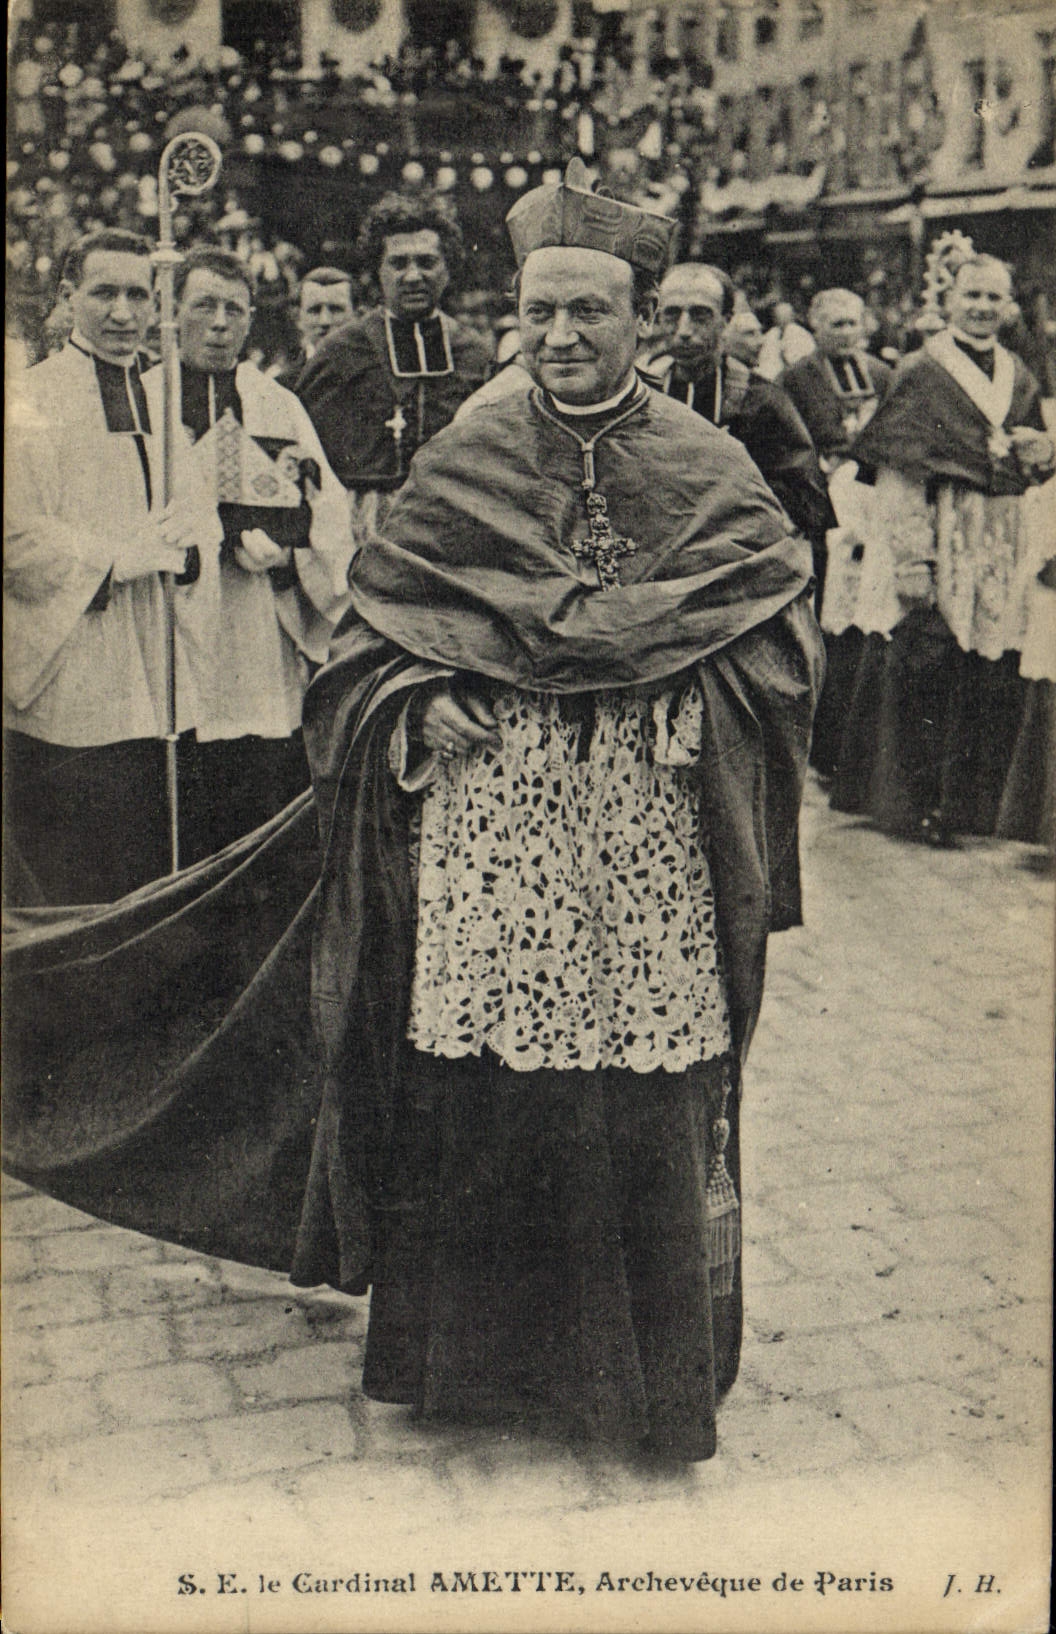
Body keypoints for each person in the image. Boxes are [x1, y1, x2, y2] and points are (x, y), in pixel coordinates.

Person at [289, 160, 824, 1462]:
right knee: (487, 1088)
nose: (564, 335)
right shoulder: (468, 453)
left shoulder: (708, 462)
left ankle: (636, 1384)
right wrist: (418, 704)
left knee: (635, 1091)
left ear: (642, 319)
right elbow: (368, 636)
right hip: (499, 819)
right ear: (513, 316)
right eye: (541, 311)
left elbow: (781, 636)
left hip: (646, 824)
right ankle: (480, 1373)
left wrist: (703, 691)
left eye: (591, 310)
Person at [833, 249, 1054, 844]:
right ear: (949, 300)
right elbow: (900, 478)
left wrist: (1043, 452)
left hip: (999, 536)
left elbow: (1030, 461)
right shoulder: (922, 371)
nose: (982, 307)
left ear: (1009, 306)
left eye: (993, 297)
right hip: (940, 529)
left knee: (988, 670)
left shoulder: (1018, 373)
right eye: (971, 295)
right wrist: (913, 560)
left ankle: (971, 804)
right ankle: (920, 803)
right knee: (930, 666)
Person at [141, 247, 353, 863]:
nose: (219, 323)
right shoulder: (144, 400)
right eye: (203, 306)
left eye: (234, 309)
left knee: (254, 798)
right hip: (166, 624)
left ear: (251, 319)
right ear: (172, 311)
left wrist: (289, 557)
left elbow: (329, 513)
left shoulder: (278, 404)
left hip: (256, 631)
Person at [4, 228, 194, 904]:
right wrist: (115, 561)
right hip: (73, 669)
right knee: (77, 878)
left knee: (147, 866)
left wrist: (189, 537)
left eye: (138, 295)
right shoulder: (32, 396)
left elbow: (192, 509)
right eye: (104, 293)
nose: (123, 313)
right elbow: (14, 534)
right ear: (68, 296)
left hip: (155, 668)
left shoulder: (160, 395)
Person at [293, 194, 491, 536]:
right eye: (398, 263)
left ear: (447, 269)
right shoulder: (339, 351)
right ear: (378, 270)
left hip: (454, 527)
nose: (413, 276)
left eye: (427, 262)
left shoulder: (474, 353)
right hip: (357, 531)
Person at [645, 263, 834, 585]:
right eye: (672, 314)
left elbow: (803, 504)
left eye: (700, 315)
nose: (684, 330)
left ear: (727, 320)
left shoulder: (762, 400)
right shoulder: (642, 393)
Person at [779, 289, 894, 775]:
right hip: (824, 509)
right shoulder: (794, 379)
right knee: (828, 620)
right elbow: (787, 443)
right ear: (816, 327)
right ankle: (825, 746)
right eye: (836, 325)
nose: (846, 334)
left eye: (852, 323)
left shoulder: (883, 374)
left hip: (876, 504)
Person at [275, 266, 355, 390]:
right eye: (315, 310)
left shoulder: (376, 377)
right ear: (298, 318)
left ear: (357, 315)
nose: (325, 321)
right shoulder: (280, 388)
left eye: (336, 309)